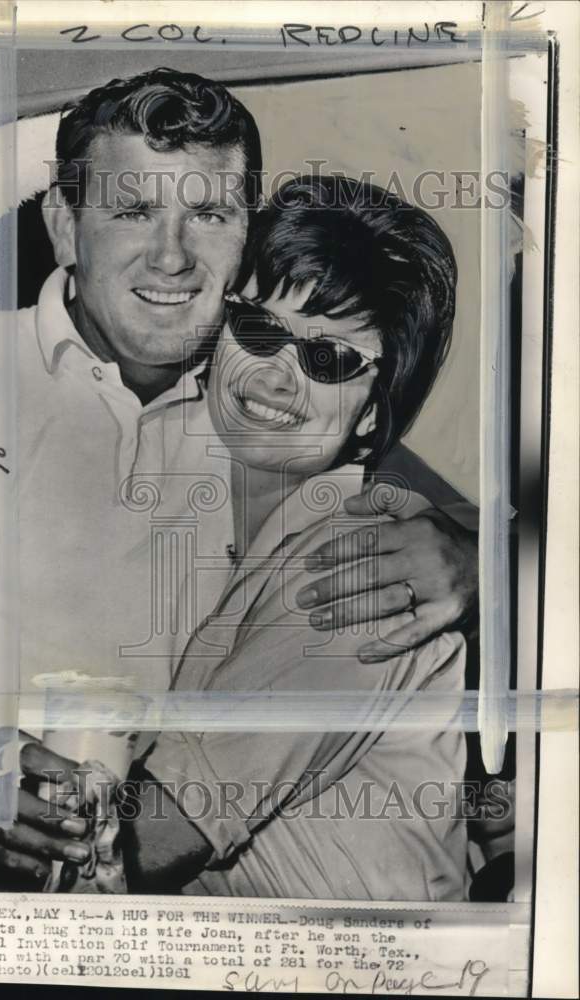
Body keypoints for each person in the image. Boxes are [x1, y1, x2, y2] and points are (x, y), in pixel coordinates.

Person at [0, 68, 478, 889]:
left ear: (244, 233)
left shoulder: (251, 415)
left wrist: (478, 555)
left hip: (119, 900)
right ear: (65, 226)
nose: (172, 257)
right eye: (134, 209)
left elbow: (414, 508)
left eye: (208, 214)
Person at [120, 175, 467, 900]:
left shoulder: (367, 564)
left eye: (331, 358)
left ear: (374, 413)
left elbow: (153, 840)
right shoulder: (185, 500)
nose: (278, 380)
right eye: (261, 330)